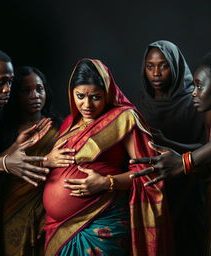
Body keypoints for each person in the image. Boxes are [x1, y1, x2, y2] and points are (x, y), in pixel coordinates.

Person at [43, 59, 172, 256]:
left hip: (102, 224)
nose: (87, 105)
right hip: (58, 227)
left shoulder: (125, 118)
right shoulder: (69, 122)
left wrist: (106, 182)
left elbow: (150, 172)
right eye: (80, 96)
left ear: (108, 93)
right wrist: (48, 159)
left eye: (95, 97)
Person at [131, 48, 211, 256]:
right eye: (193, 86)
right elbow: (210, 152)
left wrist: (183, 162)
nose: (194, 92)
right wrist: (170, 144)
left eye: (199, 86)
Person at [0, 46, 49, 256]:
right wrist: (5, 163)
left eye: (10, 82)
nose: (7, 89)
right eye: (1, 82)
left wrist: (14, 148)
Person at [0, 66, 75, 256]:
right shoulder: (6, 133)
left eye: (39, 89)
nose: (35, 95)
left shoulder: (60, 127)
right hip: (14, 207)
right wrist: (45, 161)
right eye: (26, 91)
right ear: (16, 95)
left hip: (49, 208)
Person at [138, 40, 206, 255]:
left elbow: (210, 149)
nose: (156, 73)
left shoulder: (195, 103)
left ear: (175, 66)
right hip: (153, 195)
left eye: (163, 65)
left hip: (190, 192)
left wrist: (167, 141)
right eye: (150, 66)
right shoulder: (141, 106)